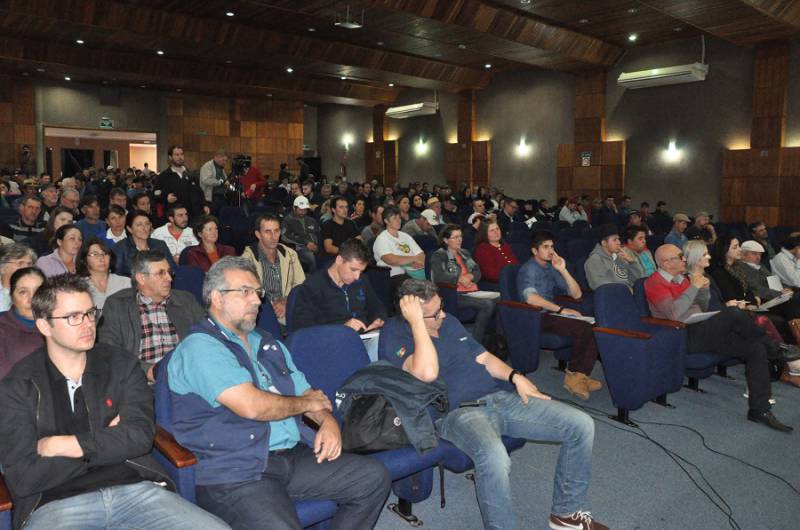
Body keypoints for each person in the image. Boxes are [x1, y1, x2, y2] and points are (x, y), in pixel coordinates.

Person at [168, 256, 389, 528]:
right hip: (237, 470)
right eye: (245, 292)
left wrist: (328, 422)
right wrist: (307, 403)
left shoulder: (267, 342)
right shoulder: (200, 347)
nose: (257, 301)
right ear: (217, 297)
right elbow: (253, 406)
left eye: (258, 293)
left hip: (289, 454)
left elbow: (309, 392)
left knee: (372, 478)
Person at [0, 274, 228, 530]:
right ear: (44, 326)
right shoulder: (18, 385)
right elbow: (23, 477)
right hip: (56, 503)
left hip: (134, 489)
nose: (88, 324)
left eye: (90, 313)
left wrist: (64, 444)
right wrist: (109, 442)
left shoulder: (121, 365)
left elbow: (140, 436)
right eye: (74, 317)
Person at [380, 280, 607, 530]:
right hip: (459, 414)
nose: (443, 314)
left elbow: (484, 357)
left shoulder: (450, 323)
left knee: (581, 425)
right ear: (411, 314)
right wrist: (416, 325)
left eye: (441, 306)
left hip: (497, 398)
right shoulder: (395, 333)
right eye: (435, 313)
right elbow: (427, 372)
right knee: (495, 456)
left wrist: (515, 376)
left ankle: (566, 515)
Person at [645, 244, 798, 432]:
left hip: (704, 329)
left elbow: (700, 307)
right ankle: (776, 350)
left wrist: (702, 291)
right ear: (667, 263)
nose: (685, 259)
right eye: (680, 256)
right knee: (734, 314)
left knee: (755, 347)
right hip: (682, 336)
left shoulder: (681, 279)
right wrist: (693, 287)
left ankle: (760, 409)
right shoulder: (654, 283)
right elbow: (674, 314)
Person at [518, 231, 603, 400]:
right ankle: (576, 376)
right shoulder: (528, 270)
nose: (550, 251)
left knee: (595, 326)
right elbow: (531, 298)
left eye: (552, 247)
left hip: (552, 314)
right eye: (545, 247)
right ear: (534, 251)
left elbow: (577, 294)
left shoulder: (551, 267)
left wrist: (563, 270)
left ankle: (579, 376)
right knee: (584, 328)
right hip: (536, 316)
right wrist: (560, 310)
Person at [99, 250, 204, 382]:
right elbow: (109, 352)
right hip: (140, 383)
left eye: (169, 272)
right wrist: (148, 371)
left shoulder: (186, 301)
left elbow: (207, 337)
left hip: (185, 380)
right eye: (161, 273)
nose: (169, 278)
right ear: (141, 278)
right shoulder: (117, 305)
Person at [292, 239, 386, 359]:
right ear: (339, 260)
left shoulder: (361, 280)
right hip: (332, 345)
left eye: (361, 271)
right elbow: (303, 329)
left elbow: (377, 306)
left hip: (363, 339)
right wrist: (342, 328)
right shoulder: (313, 286)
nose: (357, 277)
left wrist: (377, 319)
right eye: (353, 270)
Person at [429, 223, 497, 345]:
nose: (459, 239)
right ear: (445, 240)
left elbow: (477, 271)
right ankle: (475, 344)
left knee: (501, 299)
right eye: (455, 237)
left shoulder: (464, 253)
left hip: (473, 291)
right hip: (455, 294)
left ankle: (496, 341)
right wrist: (459, 279)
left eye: (460, 236)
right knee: (487, 304)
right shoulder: (439, 255)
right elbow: (439, 276)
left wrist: (470, 276)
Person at [241, 214, 305, 324]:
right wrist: (270, 307)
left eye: (276, 231)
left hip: (289, 307)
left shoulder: (290, 254)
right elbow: (247, 292)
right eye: (267, 231)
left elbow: (300, 285)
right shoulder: (247, 259)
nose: (273, 236)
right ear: (258, 234)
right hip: (262, 312)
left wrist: (286, 301)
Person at [0, 267, 45, 378]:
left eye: (38, 291)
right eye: (23, 292)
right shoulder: (2, 327)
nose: (32, 298)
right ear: (12, 297)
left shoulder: (60, 323)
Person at [372, 206, 425, 290]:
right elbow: (391, 259)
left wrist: (419, 262)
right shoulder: (382, 239)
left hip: (415, 271)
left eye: (399, 217)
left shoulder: (405, 236)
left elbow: (421, 254)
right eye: (394, 218)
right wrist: (413, 259)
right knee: (417, 288)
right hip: (395, 276)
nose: (398, 220)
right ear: (386, 221)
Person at [113, 211, 177, 277]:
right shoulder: (121, 248)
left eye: (147, 224)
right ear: (130, 229)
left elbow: (172, 270)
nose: (145, 228)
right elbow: (116, 277)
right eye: (139, 225)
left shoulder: (160, 245)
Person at [77, 237, 131, 310]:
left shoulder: (126, 283)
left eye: (105, 253)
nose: (102, 258)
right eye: (95, 254)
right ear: (84, 260)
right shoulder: (78, 287)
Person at [584, 224, 643, 290]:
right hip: (614, 297)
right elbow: (599, 284)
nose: (619, 242)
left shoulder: (618, 256)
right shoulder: (594, 260)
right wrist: (625, 289)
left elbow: (636, 279)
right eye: (615, 240)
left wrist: (632, 262)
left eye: (618, 239)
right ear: (604, 243)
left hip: (628, 292)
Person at [158, 145, 203, 219]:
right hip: (175, 216)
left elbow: (199, 192)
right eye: (177, 155)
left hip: (193, 216)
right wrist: (166, 198)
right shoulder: (164, 176)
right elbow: (156, 194)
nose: (180, 157)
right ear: (170, 157)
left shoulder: (191, 175)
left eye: (182, 154)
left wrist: (204, 205)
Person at [282, 196, 320, 273]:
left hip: (315, 246)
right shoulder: (287, 221)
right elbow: (285, 236)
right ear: (294, 208)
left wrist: (317, 246)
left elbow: (318, 233)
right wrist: (306, 243)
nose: (303, 212)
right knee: (310, 258)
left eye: (305, 210)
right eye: (300, 210)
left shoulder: (311, 220)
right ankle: (312, 279)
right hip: (298, 248)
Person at [473, 220, 518, 284]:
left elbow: (515, 264)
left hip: (510, 280)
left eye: (497, 229)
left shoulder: (505, 246)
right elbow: (490, 273)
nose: (496, 232)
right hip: (494, 284)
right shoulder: (483, 248)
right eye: (492, 230)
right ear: (485, 234)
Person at [0, 243, 37, 311]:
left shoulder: (38, 292)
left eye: (29, 264)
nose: (26, 268)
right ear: (2, 268)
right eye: (20, 263)